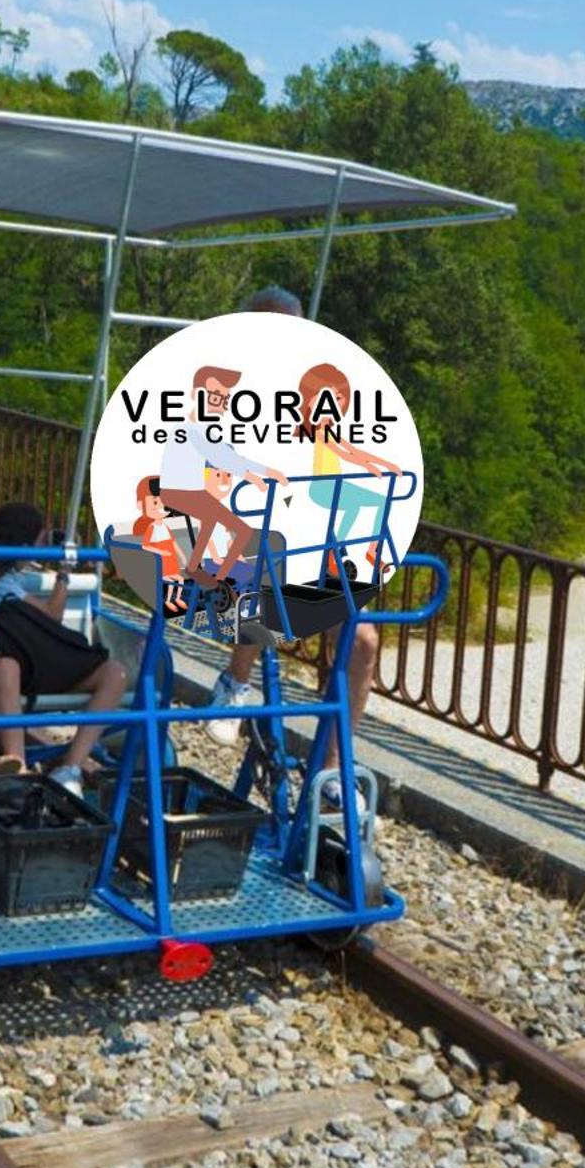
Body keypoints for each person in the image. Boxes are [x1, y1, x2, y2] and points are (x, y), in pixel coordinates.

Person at [202, 287, 382, 813]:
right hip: (247, 530)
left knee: (364, 640)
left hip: (309, 532)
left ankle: (329, 764)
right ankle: (234, 683)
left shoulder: (316, 388)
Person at [0, 501, 124, 794]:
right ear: (25, 542)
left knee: (114, 674)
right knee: (112, 673)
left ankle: (61, 766)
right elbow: (51, 615)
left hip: (32, 663)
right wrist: (64, 571)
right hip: (18, 666)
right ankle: (48, 765)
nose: (44, 546)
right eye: (42, 539)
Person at [157, 366, 289, 588]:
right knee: (231, 526)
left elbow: (226, 456)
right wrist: (258, 475)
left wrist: (258, 473)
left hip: (192, 491)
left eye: (224, 397)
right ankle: (214, 581)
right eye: (215, 396)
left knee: (226, 524)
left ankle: (206, 574)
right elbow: (222, 458)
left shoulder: (204, 427)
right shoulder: (191, 428)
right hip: (178, 492)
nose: (221, 402)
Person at [299, 362, 404, 580]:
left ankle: (371, 550)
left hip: (336, 485)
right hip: (322, 487)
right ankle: (333, 550)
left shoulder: (331, 430)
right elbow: (344, 454)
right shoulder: (320, 431)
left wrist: (386, 464)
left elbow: (354, 450)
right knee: (355, 506)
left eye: (338, 398)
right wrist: (367, 466)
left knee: (378, 502)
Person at [130, 477, 189, 616]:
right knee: (169, 582)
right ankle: (169, 600)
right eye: (156, 502)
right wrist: (160, 551)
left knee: (179, 579)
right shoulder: (150, 528)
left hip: (171, 563)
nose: (162, 508)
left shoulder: (165, 526)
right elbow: (145, 546)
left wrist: (182, 556)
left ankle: (177, 598)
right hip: (162, 566)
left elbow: (173, 542)